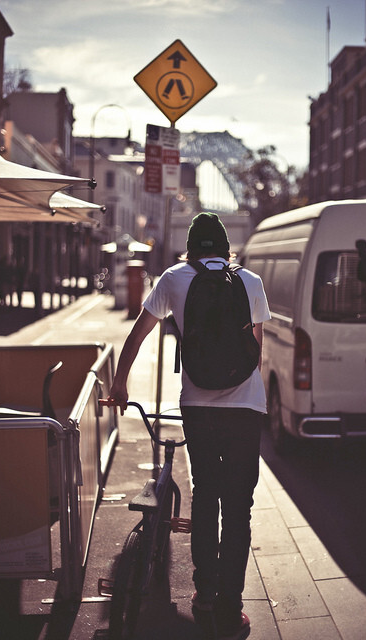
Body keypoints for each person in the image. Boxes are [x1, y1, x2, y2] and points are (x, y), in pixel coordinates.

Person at [109, 212, 271, 640]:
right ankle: (230, 609)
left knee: (206, 497)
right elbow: (256, 348)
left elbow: (138, 334)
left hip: (197, 404)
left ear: (191, 246)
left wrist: (120, 383)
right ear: (224, 247)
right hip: (245, 407)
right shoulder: (250, 282)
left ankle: (202, 597)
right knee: (239, 507)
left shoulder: (173, 278)